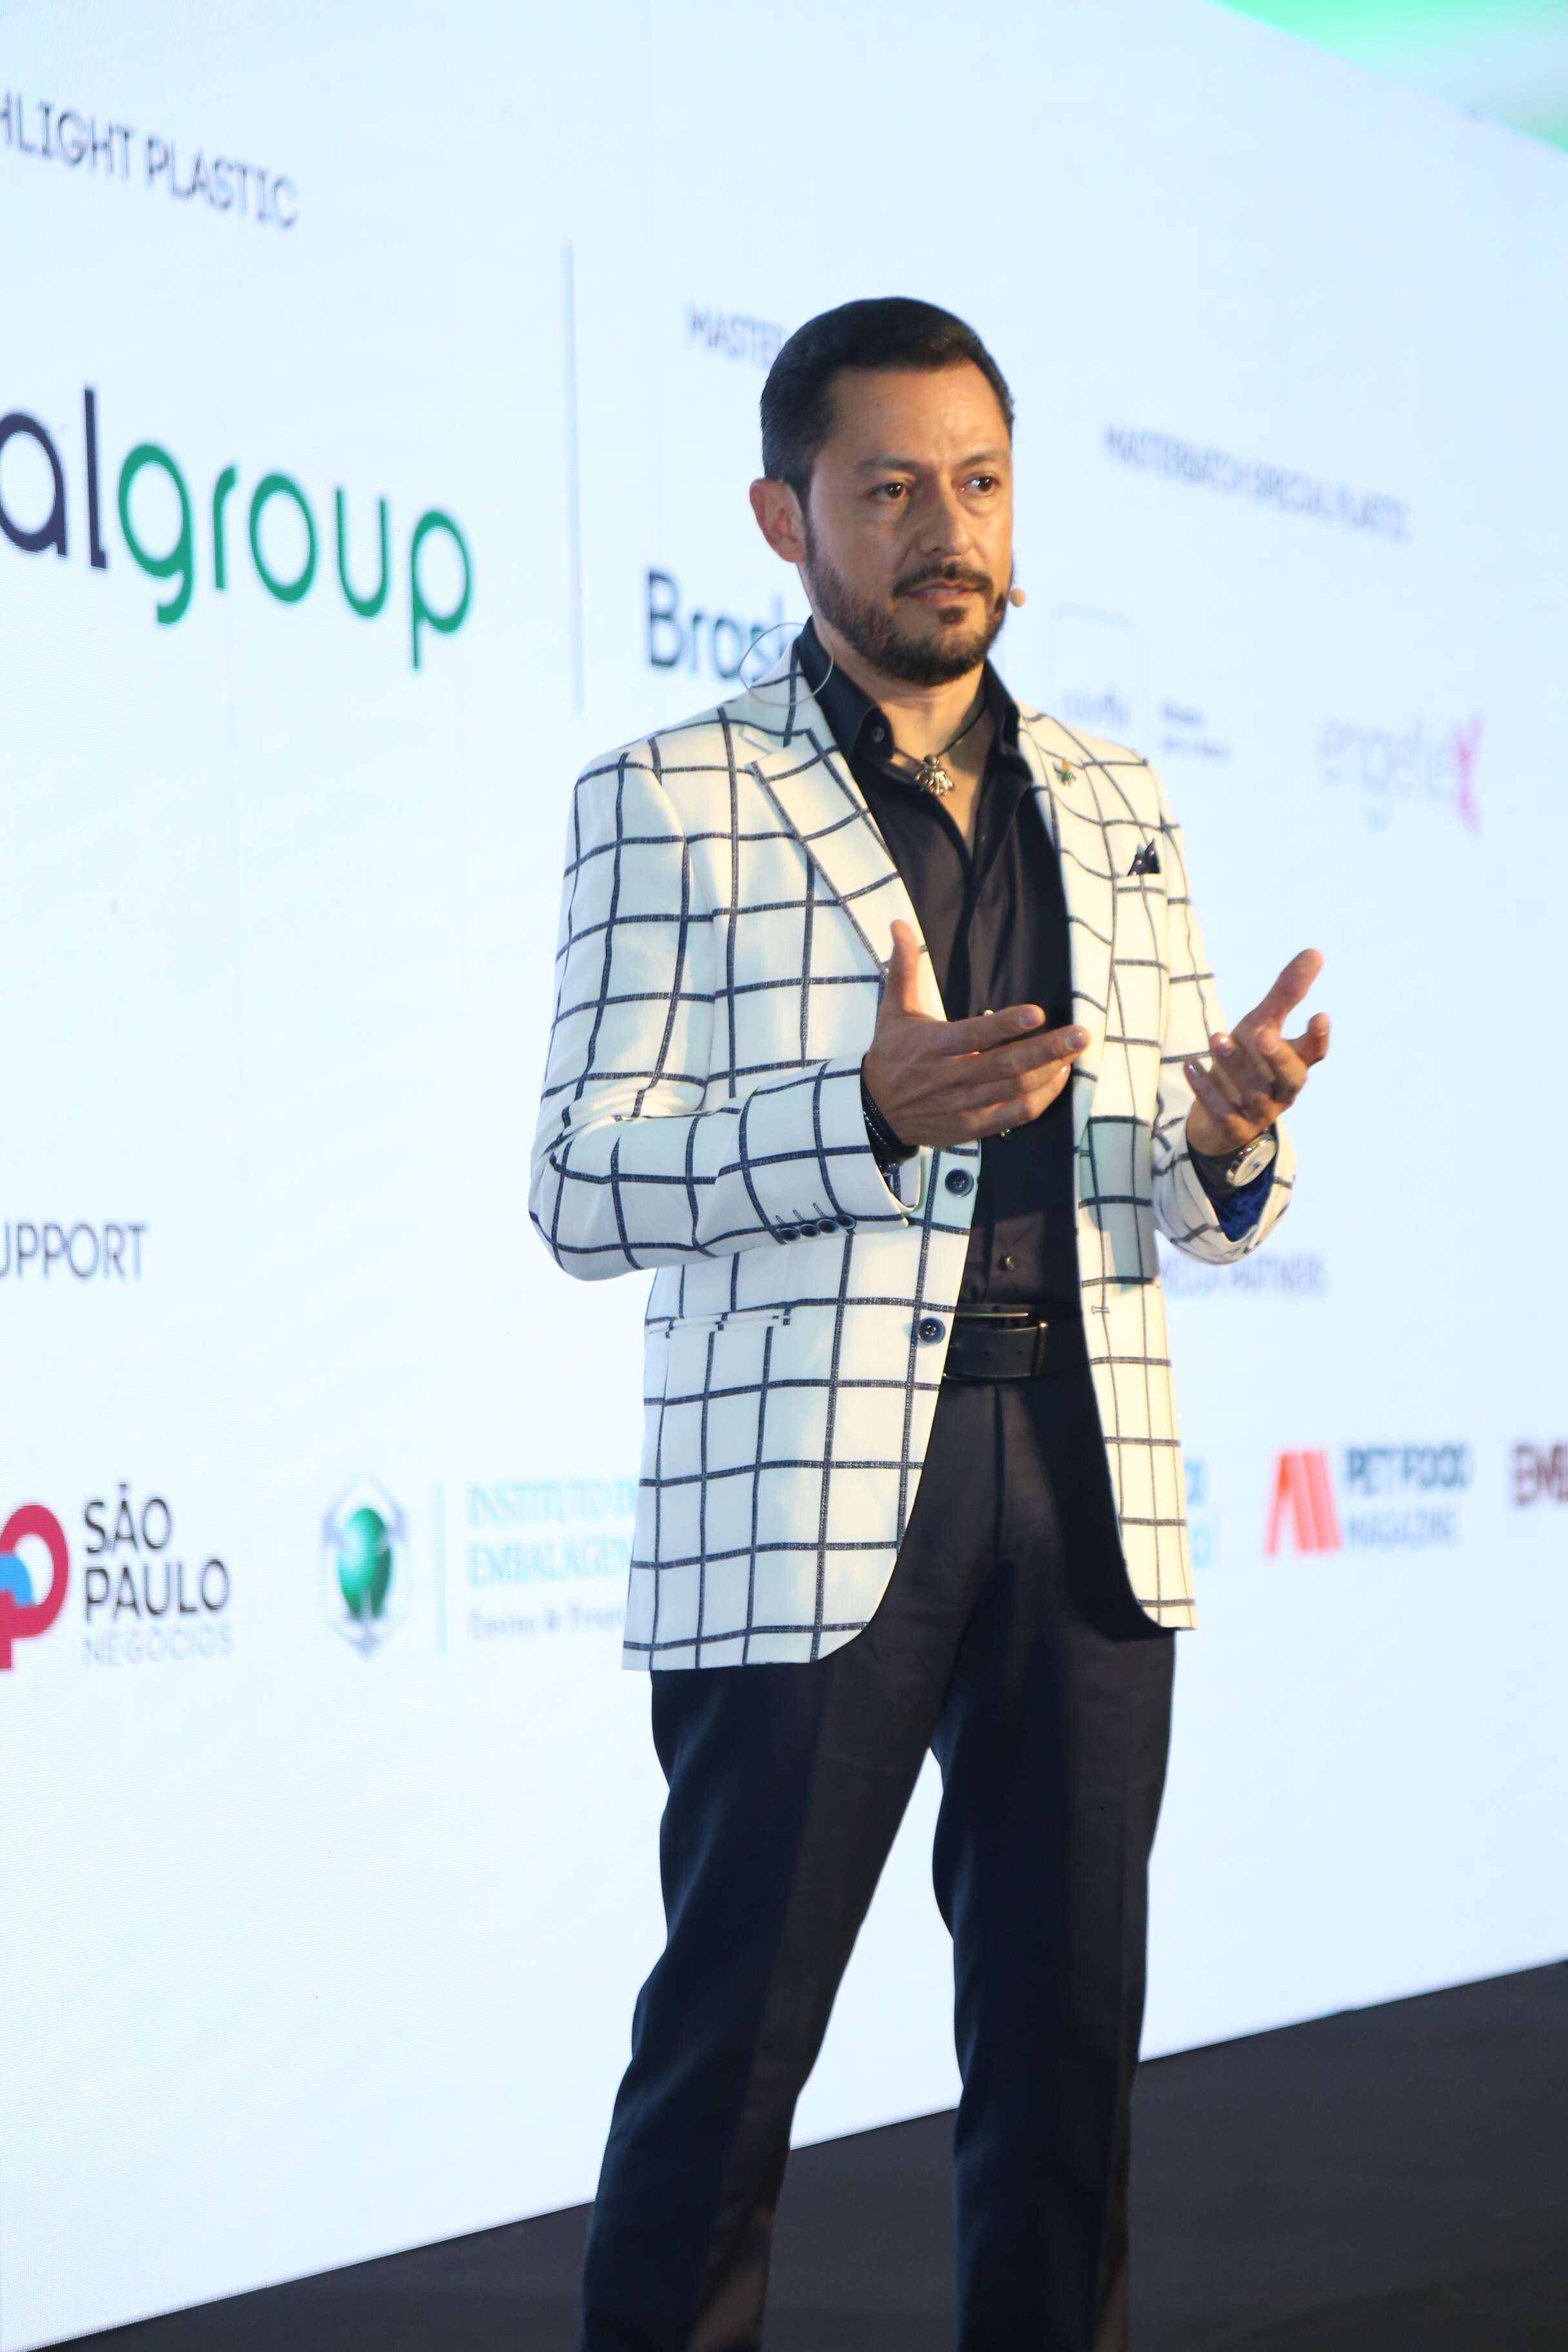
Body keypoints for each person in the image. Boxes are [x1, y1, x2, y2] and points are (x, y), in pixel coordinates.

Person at [529, 297, 1330, 2352]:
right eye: (888, 488)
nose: (944, 527)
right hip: (808, 1517)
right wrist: (859, 1115)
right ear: (782, 516)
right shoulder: (673, 795)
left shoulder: (1116, 796)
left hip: (1084, 1487)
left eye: (976, 482)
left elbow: (1184, 1190)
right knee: (726, 2073)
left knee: (1068, 2072)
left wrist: (1227, 1136)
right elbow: (578, 1185)